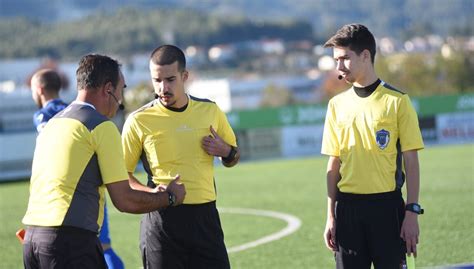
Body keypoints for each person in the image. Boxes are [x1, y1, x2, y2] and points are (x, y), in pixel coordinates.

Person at [22, 54, 186, 269]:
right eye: (121, 90)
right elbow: (124, 200)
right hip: (69, 243)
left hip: (32, 240)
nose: (120, 101)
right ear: (109, 89)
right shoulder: (101, 126)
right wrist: (170, 197)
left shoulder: (54, 122)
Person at [122, 45, 240, 269]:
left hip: (205, 220)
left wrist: (226, 151)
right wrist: (151, 193)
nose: (162, 87)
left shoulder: (210, 111)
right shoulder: (138, 120)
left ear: (184, 76)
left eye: (170, 79)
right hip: (162, 220)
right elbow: (122, 174)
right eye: (157, 80)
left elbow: (234, 156)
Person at [321, 24, 425, 269]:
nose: (339, 67)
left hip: (387, 210)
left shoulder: (398, 101)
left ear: (365, 55)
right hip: (347, 211)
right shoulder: (336, 105)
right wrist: (331, 215)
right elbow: (333, 163)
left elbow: (411, 160)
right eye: (336, 60)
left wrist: (412, 211)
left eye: (345, 59)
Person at [30, 68, 125, 269]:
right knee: (105, 245)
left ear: (38, 90)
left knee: (103, 246)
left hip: (61, 207)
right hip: (87, 195)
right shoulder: (76, 110)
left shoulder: (46, 116)